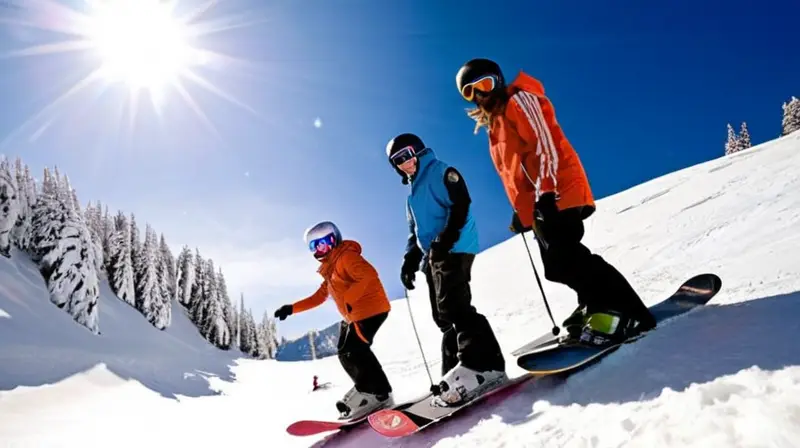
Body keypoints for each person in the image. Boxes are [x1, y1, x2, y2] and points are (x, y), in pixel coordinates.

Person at [454, 58, 657, 345]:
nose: (480, 94)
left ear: (498, 81)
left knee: (566, 256)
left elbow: (544, 143)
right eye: (470, 91)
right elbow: (516, 174)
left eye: (484, 84)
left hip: (557, 190)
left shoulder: (519, 100)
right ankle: (592, 303)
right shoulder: (495, 127)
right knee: (557, 265)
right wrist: (521, 212)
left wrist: (547, 193)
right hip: (540, 201)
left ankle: (622, 311)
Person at [386, 132, 507, 407]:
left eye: (406, 156)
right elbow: (415, 233)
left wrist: (447, 238)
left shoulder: (440, 171)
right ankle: (454, 376)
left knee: (455, 307)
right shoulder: (411, 197)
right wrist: (409, 260)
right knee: (443, 317)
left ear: (417, 151)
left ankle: (483, 366)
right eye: (397, 161)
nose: (404, 164)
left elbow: (461, 203)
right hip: (434, 255)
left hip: (456, 246)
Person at [273, 221, 394, 420]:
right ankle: (370, 390)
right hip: (356, 315)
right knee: (346, 351)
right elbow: (318, 297)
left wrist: (348, 299)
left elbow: (369, 275)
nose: (320, 249)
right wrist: (292, 308)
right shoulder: (330, 270)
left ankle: (378, 394)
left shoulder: (346, 257)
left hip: (371, 310)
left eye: (324, 243)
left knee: (354, 350)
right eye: (315, 246)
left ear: (334, 239)